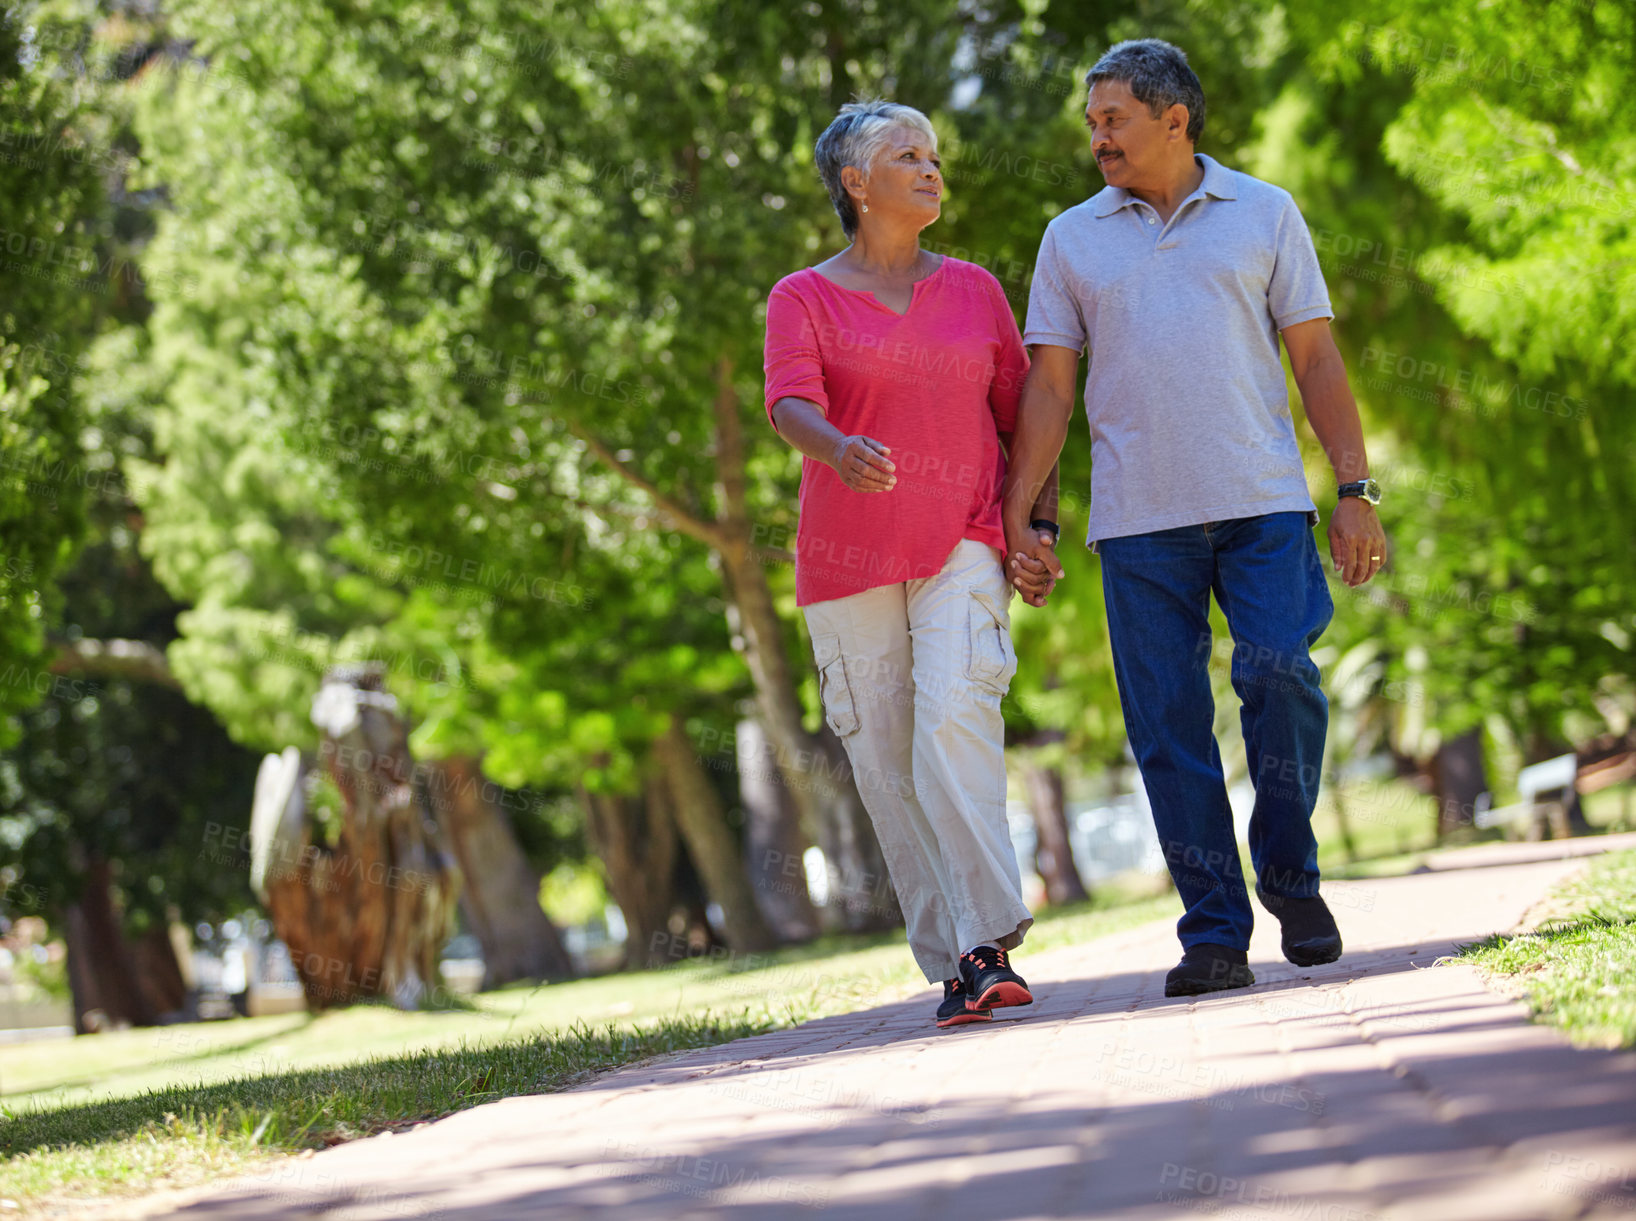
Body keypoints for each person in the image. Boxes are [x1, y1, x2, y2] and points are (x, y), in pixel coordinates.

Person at [1001, 40, 1389, 997]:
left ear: (1175, 119)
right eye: (1091, 122)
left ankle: (1291, 880)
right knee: (1168, 727)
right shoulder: (1071, 238)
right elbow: (1049, 389)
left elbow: (1319, 362)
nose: (1097, 137)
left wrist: (1354, 491)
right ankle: (1214, 930)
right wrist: (1022, 518)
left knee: (1283, 675)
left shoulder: (1265, 211)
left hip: (1263, 503)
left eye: (1113, 119)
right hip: (1137, 525)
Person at [763, 100, 1058, 1027]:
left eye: (933, 154)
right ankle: (956, 959)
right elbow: (787, 404)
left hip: (961, 539)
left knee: (952, 720)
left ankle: (986, 938)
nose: (931, 169)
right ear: (856, 183)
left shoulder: (973, 289)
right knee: (888, 764)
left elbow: (1024, 417)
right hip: (847, 563)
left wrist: (1036, 526)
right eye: (906, 156)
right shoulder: (801, 297)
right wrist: (838, 445)